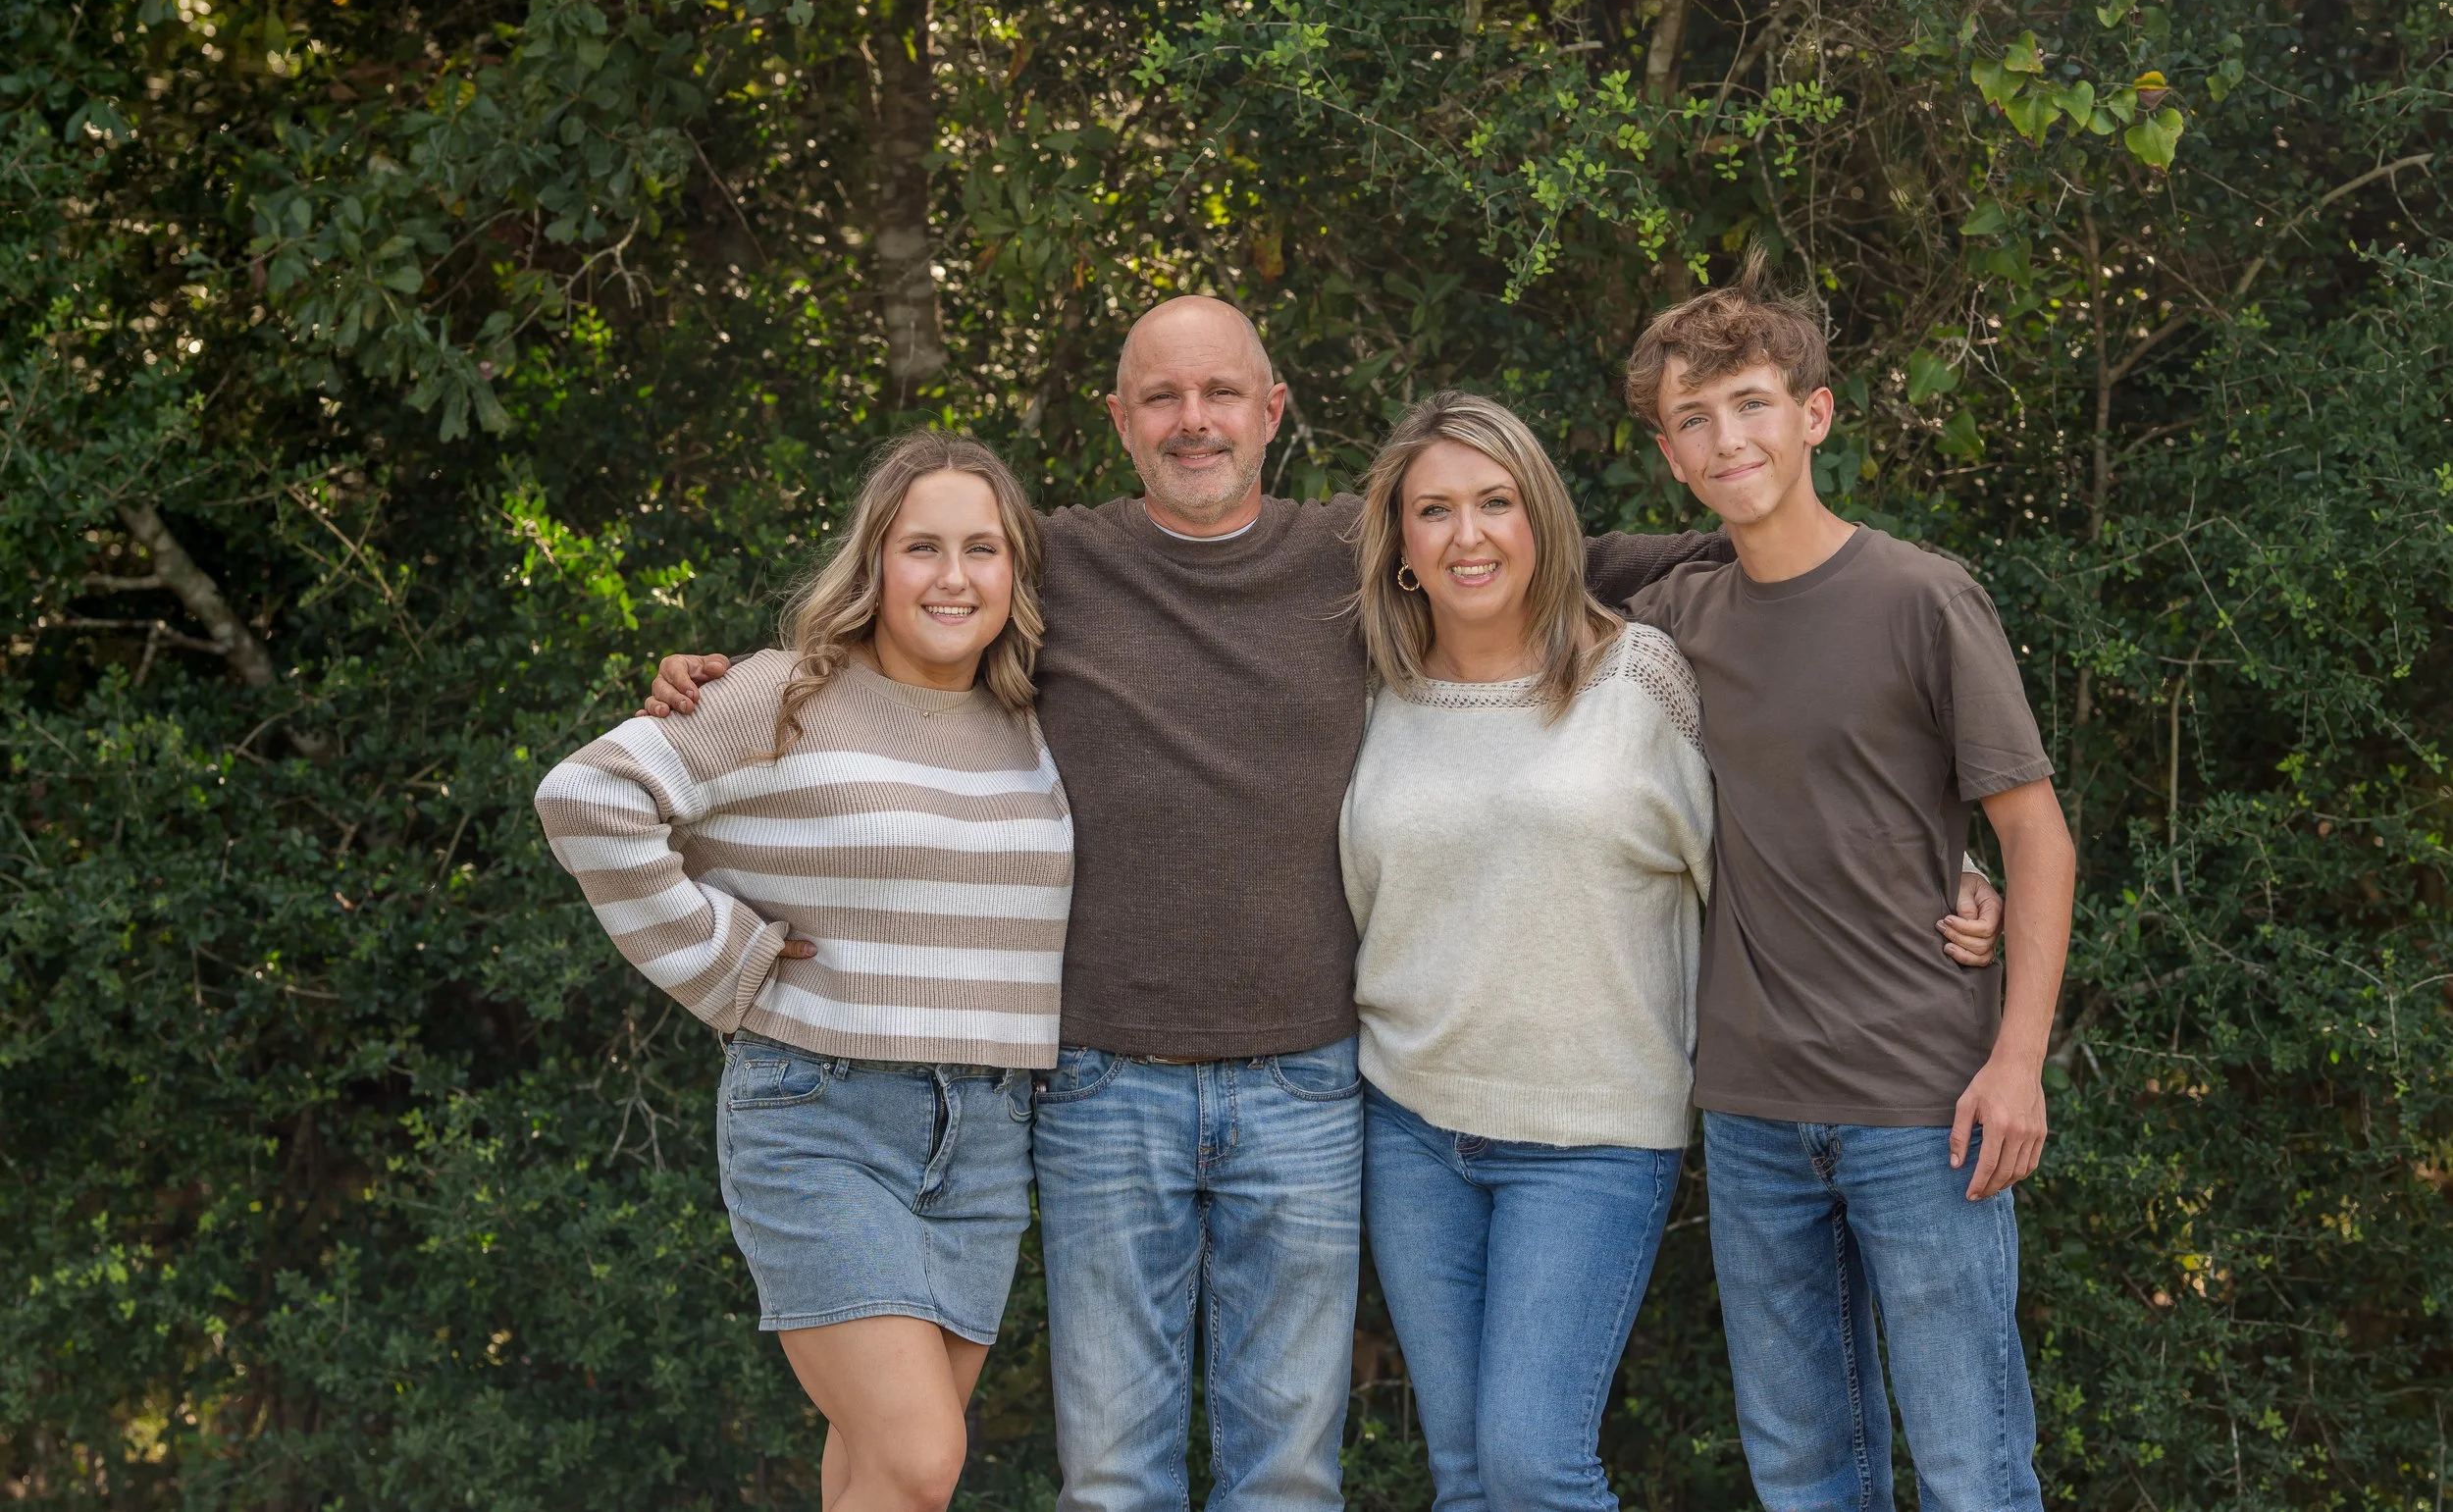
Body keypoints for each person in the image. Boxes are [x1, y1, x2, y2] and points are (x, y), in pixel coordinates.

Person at [642, 294, 2003, 1512]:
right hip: (1109, 1084)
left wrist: (1912, 862)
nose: (1195, 420)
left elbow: (1651, 577)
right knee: (1114, 1472)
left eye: (1222, 391)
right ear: (1119, 419)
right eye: (1163, 396)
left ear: (1272, 411)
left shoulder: (1378, 564)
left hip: (1315, 1089)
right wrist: (740, 679)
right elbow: (910, 612)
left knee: (1300, 1470)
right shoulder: (1055, 563)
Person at [535, 433, 1071, 1512]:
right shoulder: (776, 695)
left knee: (876, 1472)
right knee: (923, 1459)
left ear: (1017, 571)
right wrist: (730, 958)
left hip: (988, 1133)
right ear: (873, 562)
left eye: (983, 547)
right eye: (922, 546)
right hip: (822, 1114)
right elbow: (586, 799)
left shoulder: (1039, 719)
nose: (954, 575)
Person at [1623, 256, 2077, 1512]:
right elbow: (1507, 571)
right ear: (1670, 453)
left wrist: (2019, 1057)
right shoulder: (1675, 609)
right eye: (1694, 420)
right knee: (1808, 1473)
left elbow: (2035, 834)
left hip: (1922, 1105)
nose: (1728, 439)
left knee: (1973, 1465)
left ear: (1814, 413)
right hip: (1753, 1111)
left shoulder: (1921, 597)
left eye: (1753, 403)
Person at [1339, 391, 1713, 1512]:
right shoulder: (1373, 695)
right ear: (1400, 544)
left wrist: (1951, 870)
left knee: (1531, 1463)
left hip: (1592, 1134)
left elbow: (1789, 825)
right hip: (1409, 1125)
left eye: (1495, 502)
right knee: (1462, 1475)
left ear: (1541, 519)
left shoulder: (1640, 677)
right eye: (1435, 510)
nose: (1468, 535)